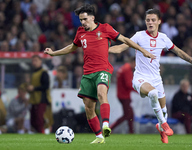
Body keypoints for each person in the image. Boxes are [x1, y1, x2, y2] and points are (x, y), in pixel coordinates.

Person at [44, 4, 155, 144]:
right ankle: (99, 137)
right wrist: (54, 53)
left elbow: (125, 40)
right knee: (88, 107)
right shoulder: (80, 32)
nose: (83, 22)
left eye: (85, 19)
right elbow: (72, 47)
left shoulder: (105, 28)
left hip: (103, 70)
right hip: (87, 74)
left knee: (102, 94)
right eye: (81, 20)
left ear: (92, 18)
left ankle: (106, 125)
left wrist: (142, 50)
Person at [109, 9, 192, 143]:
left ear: (159, 21)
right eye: (147, 20)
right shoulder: (139, 36)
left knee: (164, 111)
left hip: (156, 79)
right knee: (152, 94)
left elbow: (178, 52)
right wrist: (104, 49)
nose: (150, 22)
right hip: (140, 77)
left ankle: (161, 127)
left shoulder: (163, 38)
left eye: (153, 20)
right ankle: (164, 124)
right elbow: (121, 47)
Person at [27, 55, 53, 133]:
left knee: (39, 119)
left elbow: (46, 86)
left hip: (41, 99)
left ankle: (42, 132)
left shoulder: (43, 73)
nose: (34, 63)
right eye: (33, 61)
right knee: (33, 120)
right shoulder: (33, 73)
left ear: (40, 61)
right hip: (34, 99)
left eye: (36, 60)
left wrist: (34, 88)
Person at [110, 57, 136, 133]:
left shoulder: (123, 68)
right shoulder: (127, 69)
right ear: (133, 62)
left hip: (121, 95)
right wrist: (138, 90)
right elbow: (128, 84)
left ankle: (131, 131)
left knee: (130, 114)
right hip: (124, 96)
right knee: (127, 115)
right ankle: (110, 128)